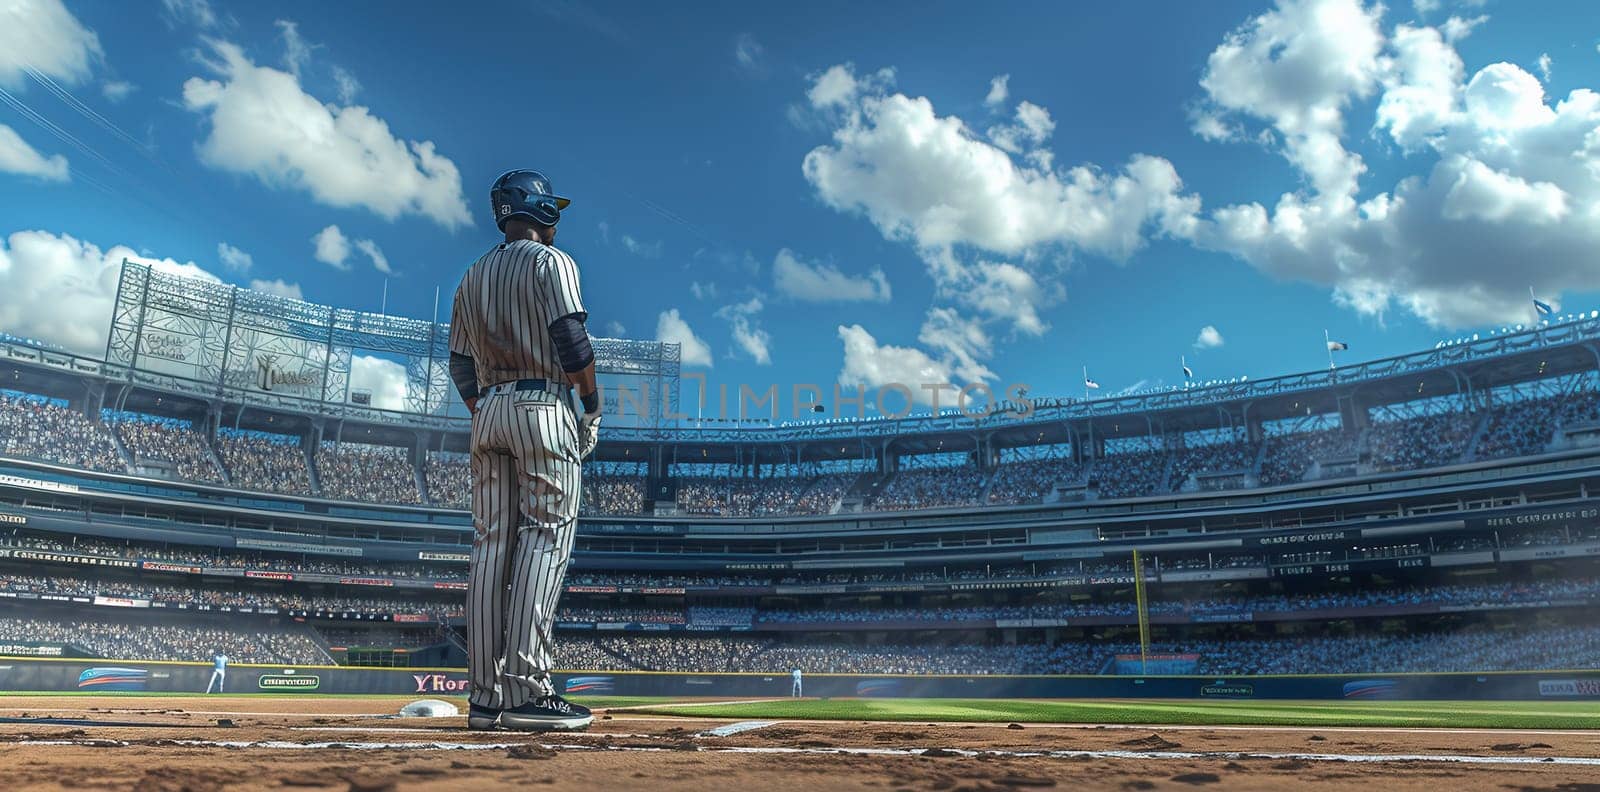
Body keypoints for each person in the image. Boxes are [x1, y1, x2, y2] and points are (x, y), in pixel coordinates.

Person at [450, 170, 602, 733]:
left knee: (491, 546)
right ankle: (526, 689)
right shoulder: (551, 262)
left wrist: (490, 414)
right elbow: (571, 340)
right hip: (544, 406)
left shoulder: (470, 275)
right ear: (538, 211)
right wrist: (590, 406)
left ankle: (485, 698)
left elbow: (461, 367)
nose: (557, 219)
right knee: (546, 536)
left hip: (486, 410)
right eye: (552, 209)